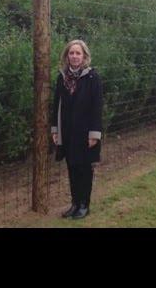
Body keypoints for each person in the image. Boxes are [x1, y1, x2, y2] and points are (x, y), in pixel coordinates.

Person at [51, 39, 103, 219]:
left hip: (85, 133)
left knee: (84, 169)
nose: (74, 56)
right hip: (68, 132)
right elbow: (56, 105)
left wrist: (94, 134)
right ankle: (74, 203)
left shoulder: (92, 77)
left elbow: (97, 107)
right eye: (71, 53)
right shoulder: (62, 77)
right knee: (72, 167)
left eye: (78, 53)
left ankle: (84, 205)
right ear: (67, 56)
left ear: (84, 56)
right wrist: (55, 130)